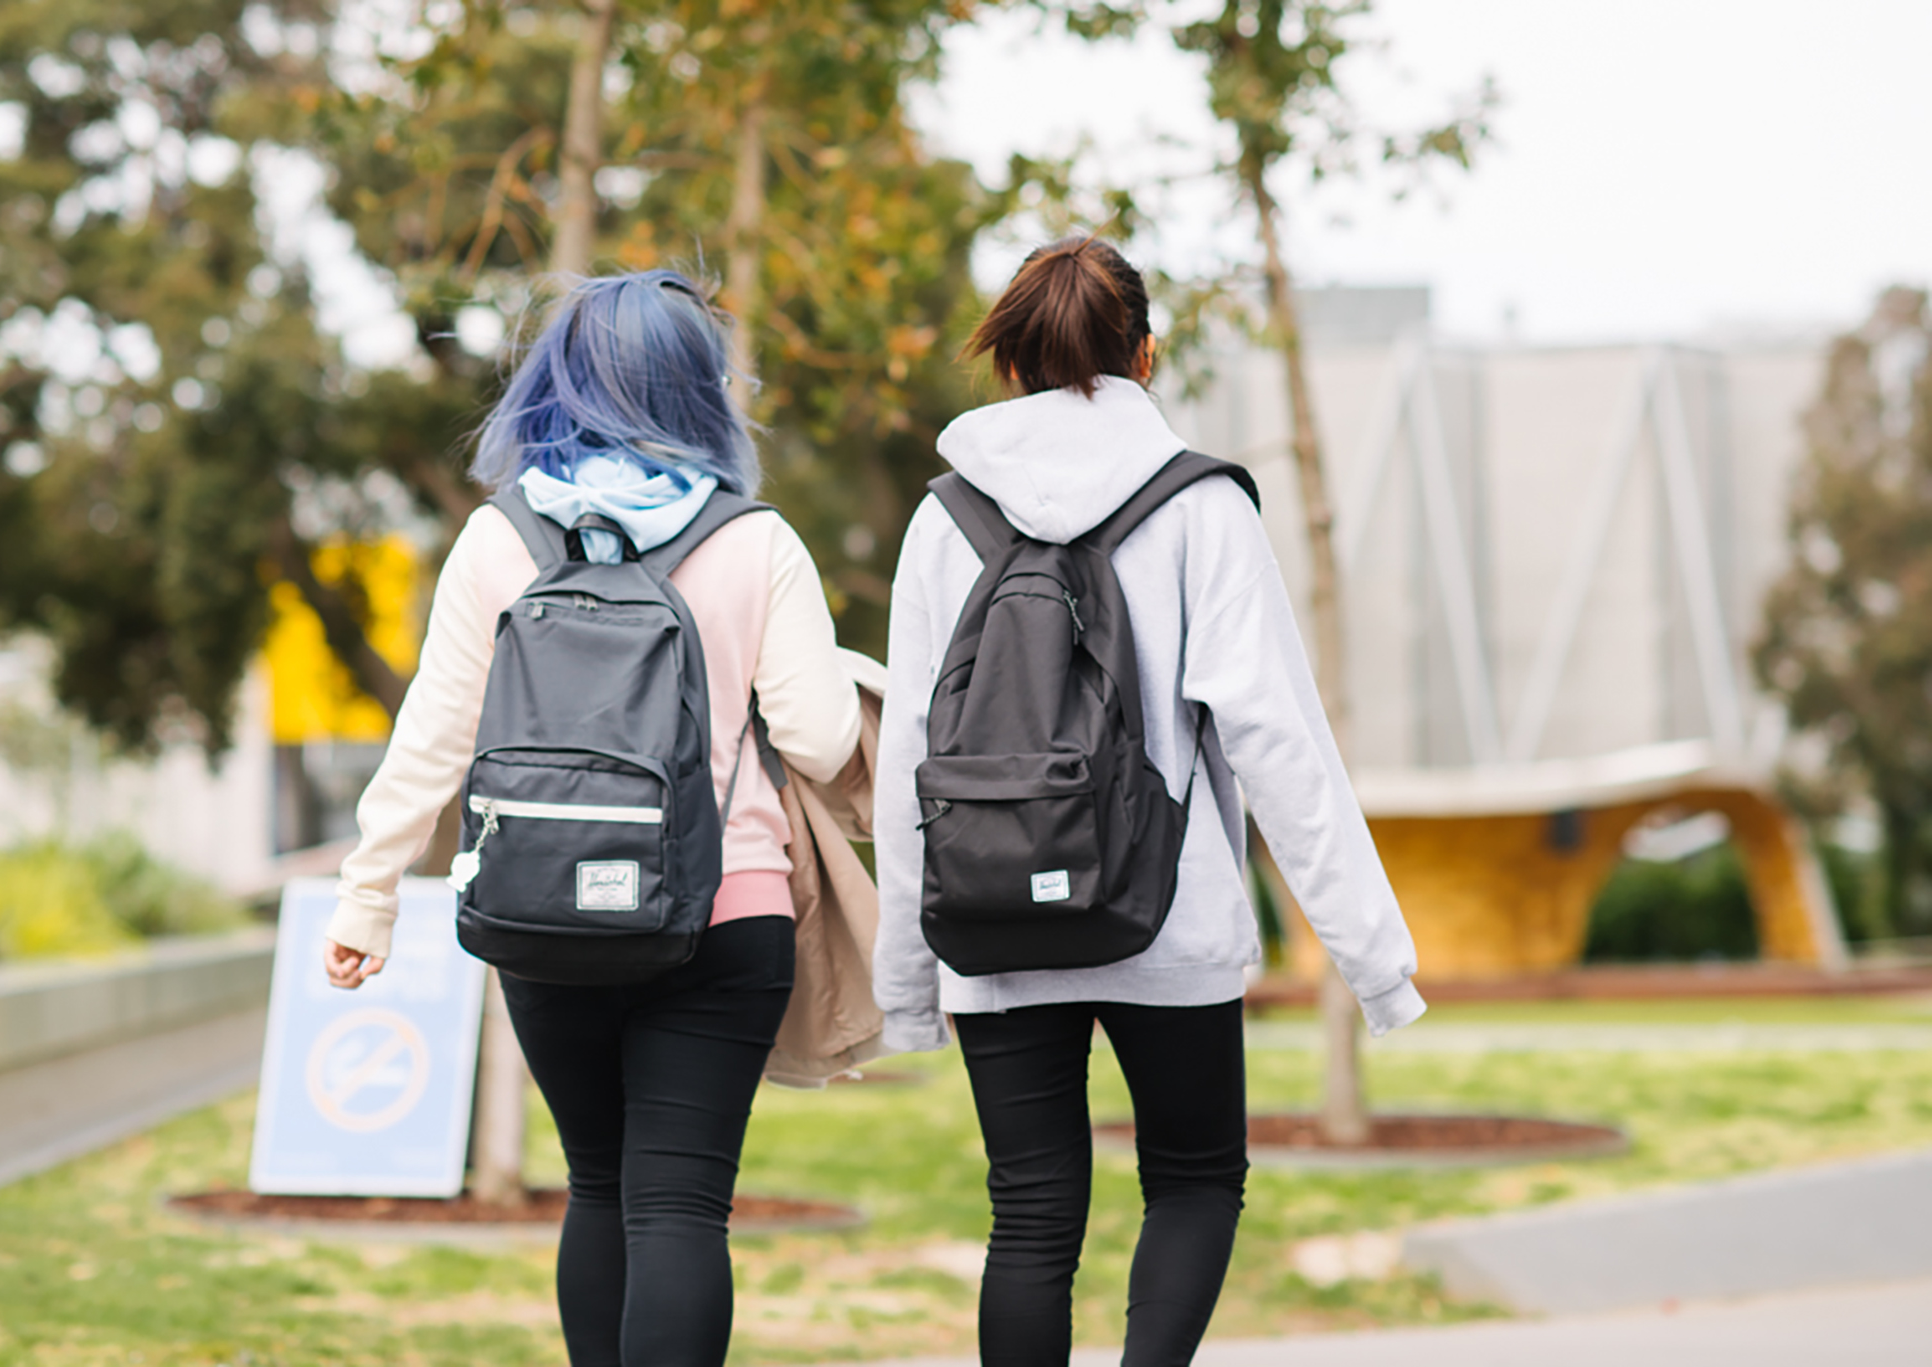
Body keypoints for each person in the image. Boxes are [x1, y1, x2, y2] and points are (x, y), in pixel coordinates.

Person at [872, 237, 1427, 1367]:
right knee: (1191, 1180)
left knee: (1028, 1214)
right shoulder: (1199, 506)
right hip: (1162, 916)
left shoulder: (943, 519)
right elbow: (1281, 741)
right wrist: (1373, 960)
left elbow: (908, 763)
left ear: (1008, 363)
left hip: (988, 919)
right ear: (1147, 353)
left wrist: (908, 984)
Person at [322, 270, 862, 1367]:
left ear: (554, 381)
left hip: (544, 908)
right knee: (679, 1206)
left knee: (599, 1182)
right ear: (701, 387)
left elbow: (434, 732)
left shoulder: (497, 538)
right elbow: (816, 740)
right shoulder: (755, 540)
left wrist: (367, 895)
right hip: (722, 908)